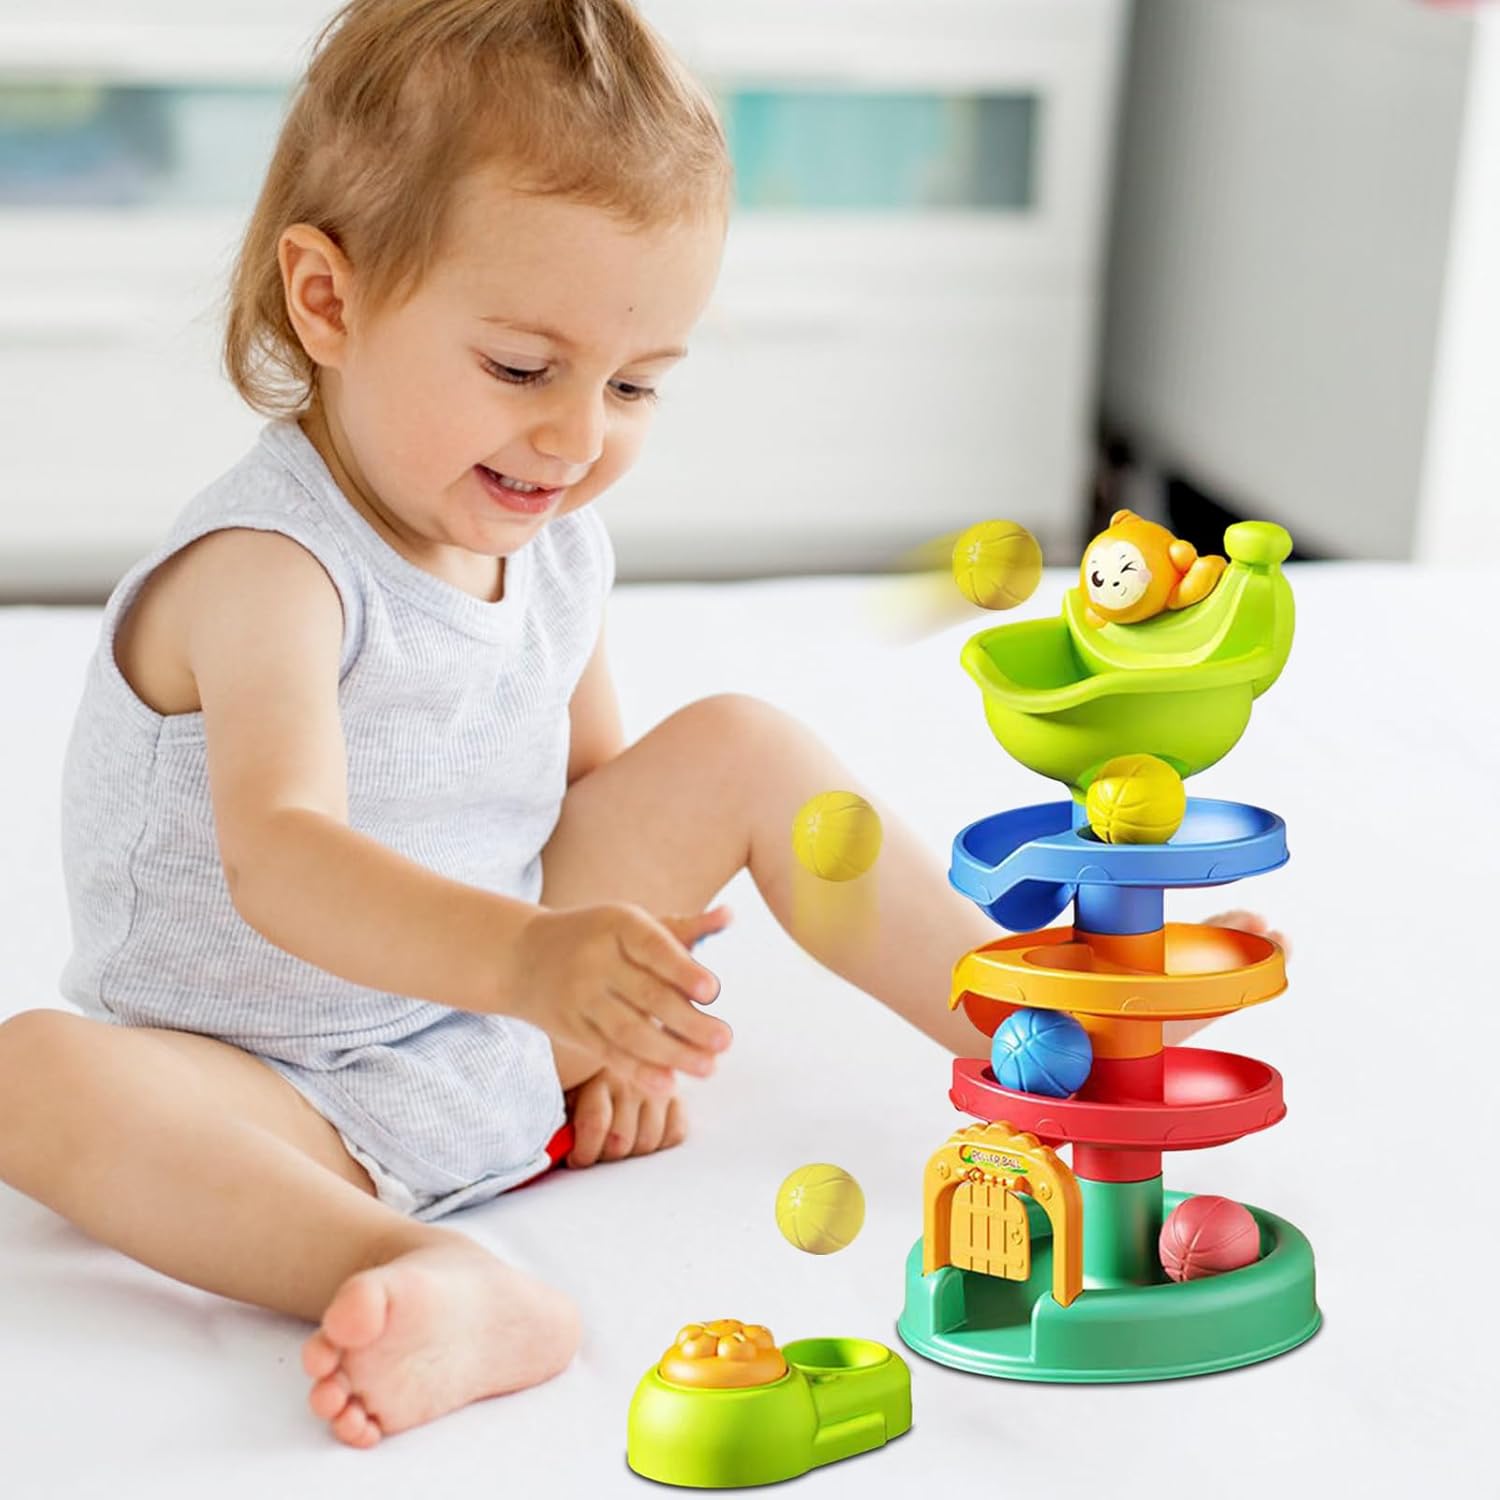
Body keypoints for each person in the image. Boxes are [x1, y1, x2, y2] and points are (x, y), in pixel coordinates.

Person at [0, 0, 1281, 1449]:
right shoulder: (267, 571)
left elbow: (589, 803)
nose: (576, 437)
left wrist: (614, 1027)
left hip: (496, 1022)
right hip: (264, 1083)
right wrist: (534, 967)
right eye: (519, 369)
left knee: (742, 743)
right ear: (328, 303)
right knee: (36, 1075)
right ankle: (416, 1271)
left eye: (634, 385)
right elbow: (280, 861)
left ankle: (1041, 1038)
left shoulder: (554, 543)